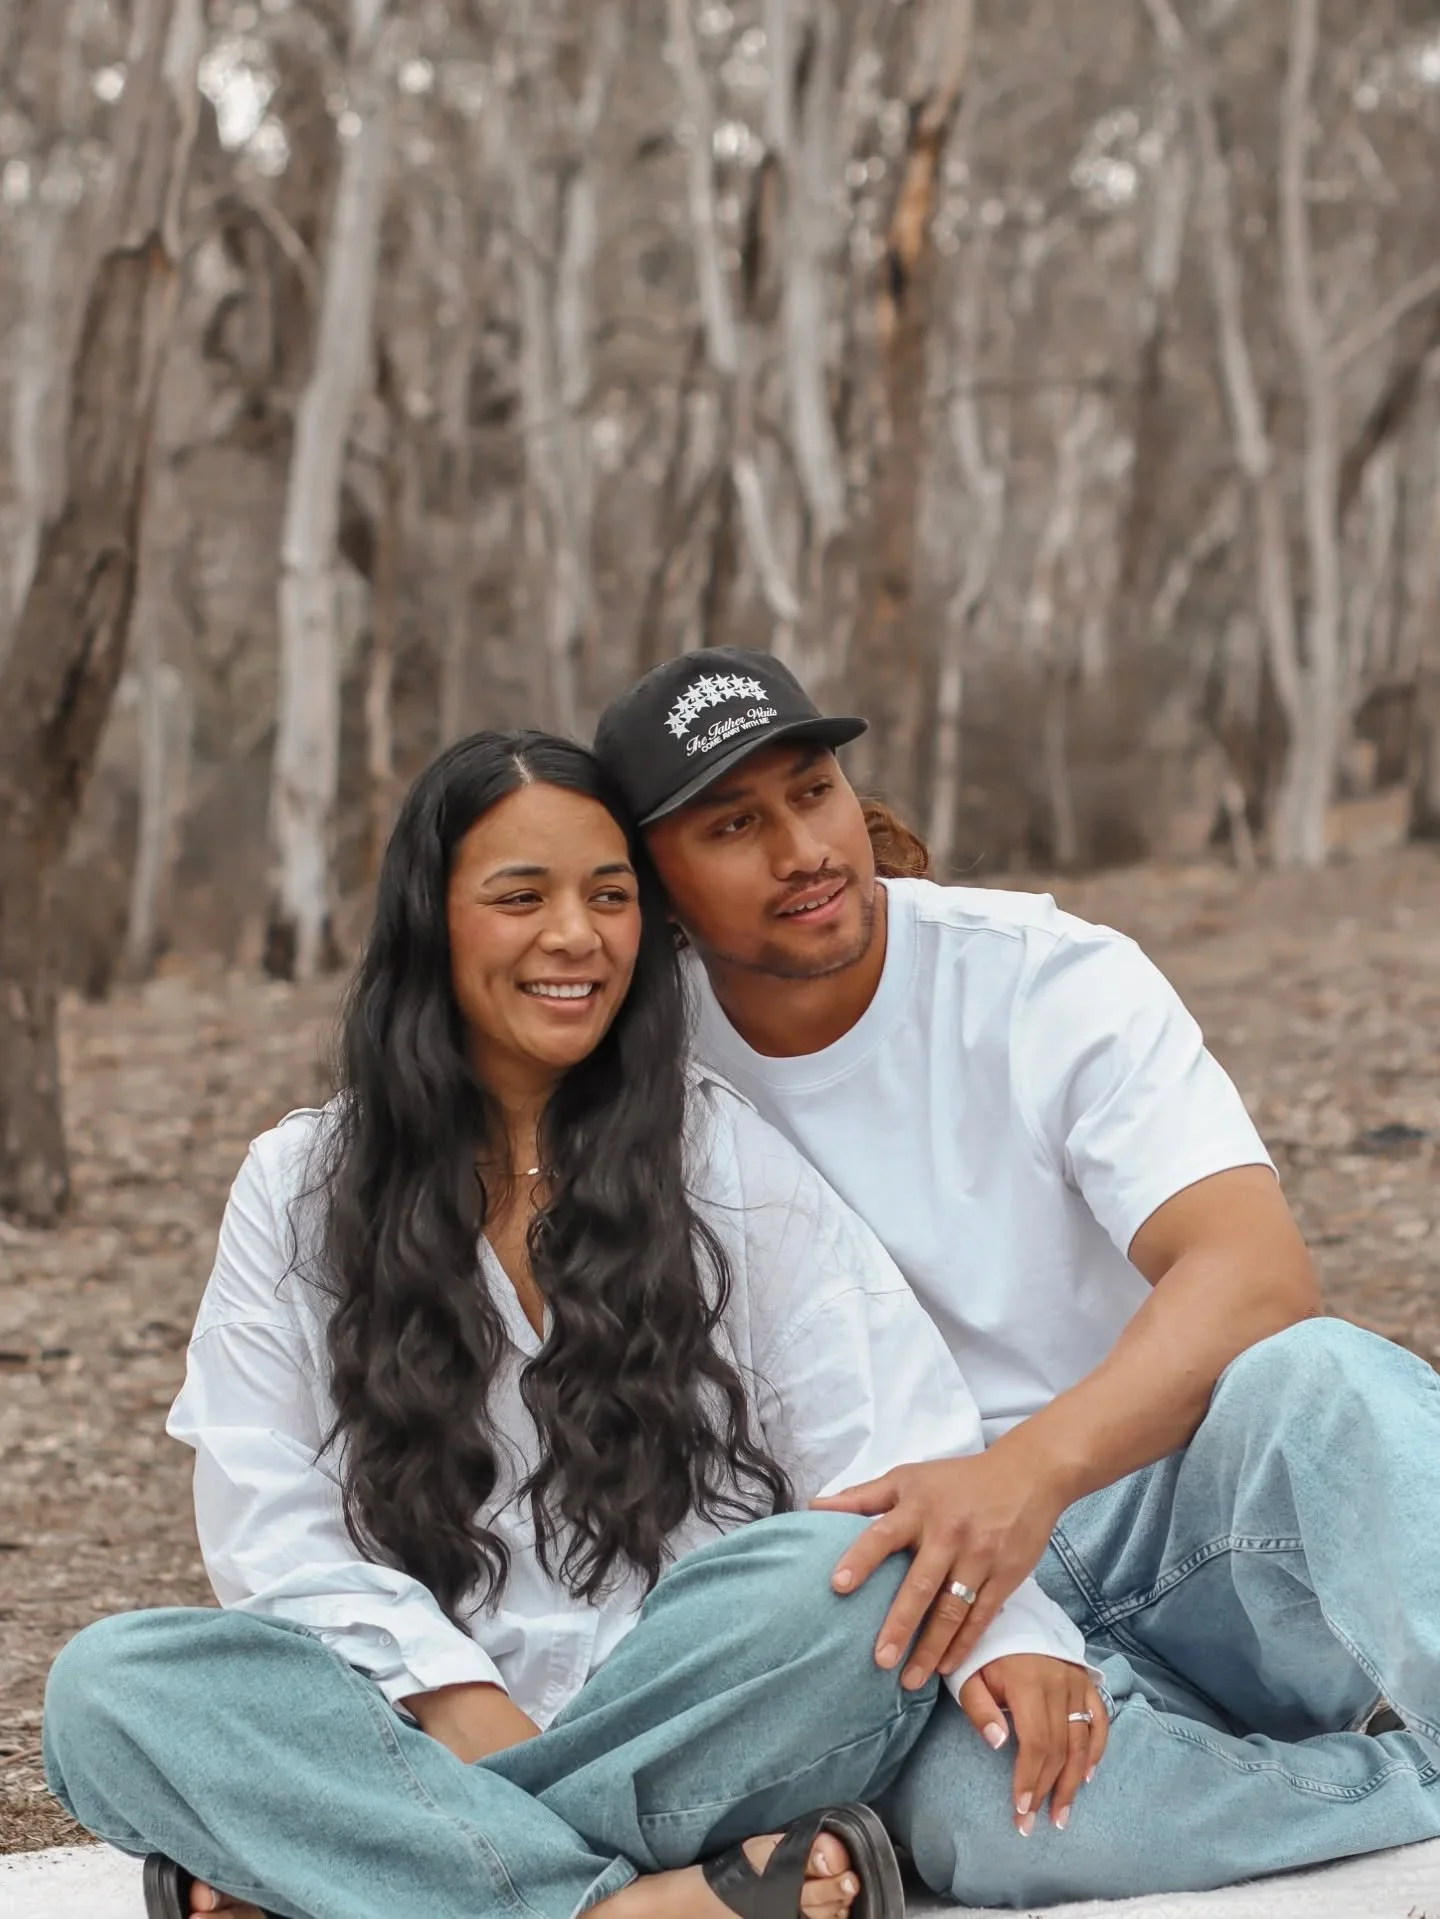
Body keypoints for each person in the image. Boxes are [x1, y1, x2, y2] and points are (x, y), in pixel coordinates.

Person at [42, 733, 1101, 1919]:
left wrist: (1012, 1625)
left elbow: (889, 1443)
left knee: (839, 1577)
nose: (576, 935)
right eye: (519, 896)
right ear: (429, 922)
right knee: (108, 1689)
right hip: (424, 1722)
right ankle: (625, 1907)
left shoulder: (715, 1153)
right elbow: (274, 1527)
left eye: (609, 895)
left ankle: (368, 1870)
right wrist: (458, 1699)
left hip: (687, 1713)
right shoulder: (298, 1184)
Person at [593, 649, 1440, 1906]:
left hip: (1170, 1500)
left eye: (814, 791)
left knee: (1333, 1387)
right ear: (654, 882)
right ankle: (1390, 1789)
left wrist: (1023, 1475)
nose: (803, 847)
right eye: (734, 824)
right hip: (916, 1592)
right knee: (995, 1829)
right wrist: (980, 1588)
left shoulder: (1040, 975)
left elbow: (1254, 1273)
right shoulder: (635, 1081)